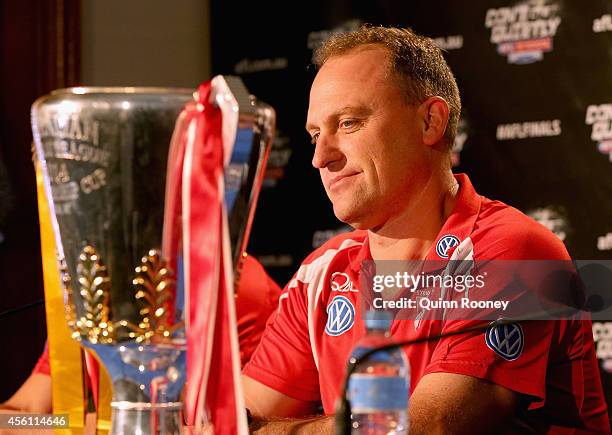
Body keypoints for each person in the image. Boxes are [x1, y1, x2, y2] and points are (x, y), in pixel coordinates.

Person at [241, 25, 610, 433]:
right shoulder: (322, 273)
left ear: (430, 122)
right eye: (315, 135)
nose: (321, 157)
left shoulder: (512, 250)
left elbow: (429, 427)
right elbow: (232, 420)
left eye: (348, 123)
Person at [1, 253, 281, 414]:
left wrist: (80, 428)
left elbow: (219, 425)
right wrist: (65, 427)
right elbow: (24, 412)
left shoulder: (231, 286)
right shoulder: (90, 289)